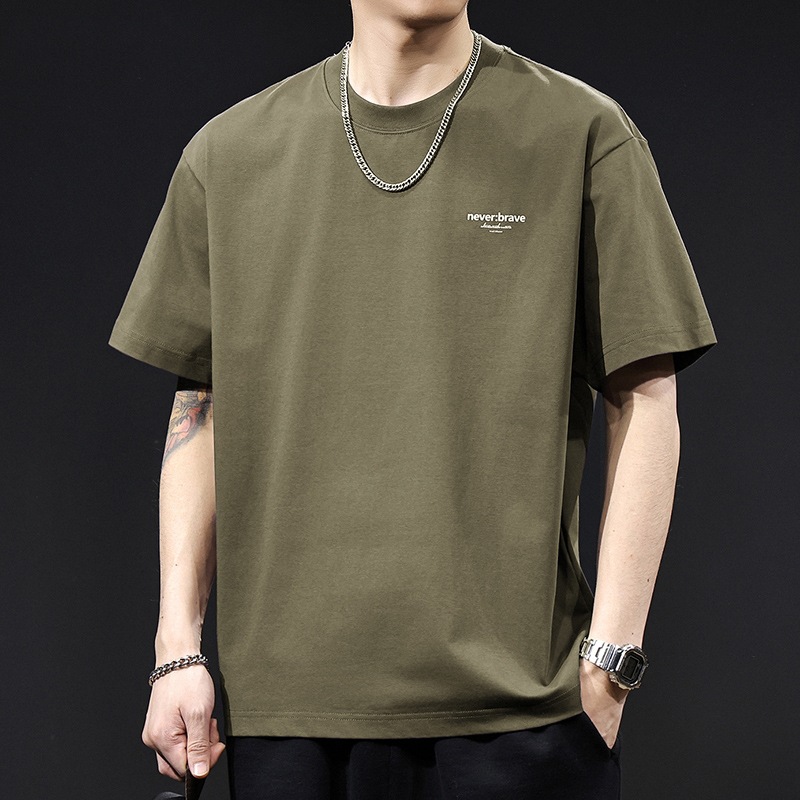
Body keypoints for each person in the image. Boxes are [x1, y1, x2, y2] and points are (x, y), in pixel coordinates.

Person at [108, 1, 717, 798]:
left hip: (520, 718)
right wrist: (177, 651)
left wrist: (611, 664)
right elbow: (202, 407)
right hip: (289, 720)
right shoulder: (229, 156)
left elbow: (646, 398)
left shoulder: (582, 134)